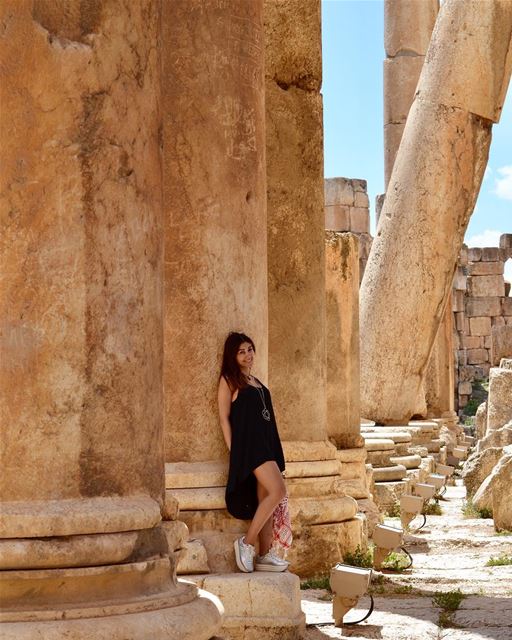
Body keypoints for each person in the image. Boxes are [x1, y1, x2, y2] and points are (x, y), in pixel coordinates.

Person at [218, 332, 290, 573]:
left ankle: (265, 553)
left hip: (267, 445)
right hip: (250, 448)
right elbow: (224, 418)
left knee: (266, 499)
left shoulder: (256, 381)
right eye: (241, 351)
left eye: (250, 349)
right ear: (232, 356)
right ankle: (246, 543)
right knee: (278, 490)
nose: (248, 355)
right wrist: (234, 450)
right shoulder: (229, 380)